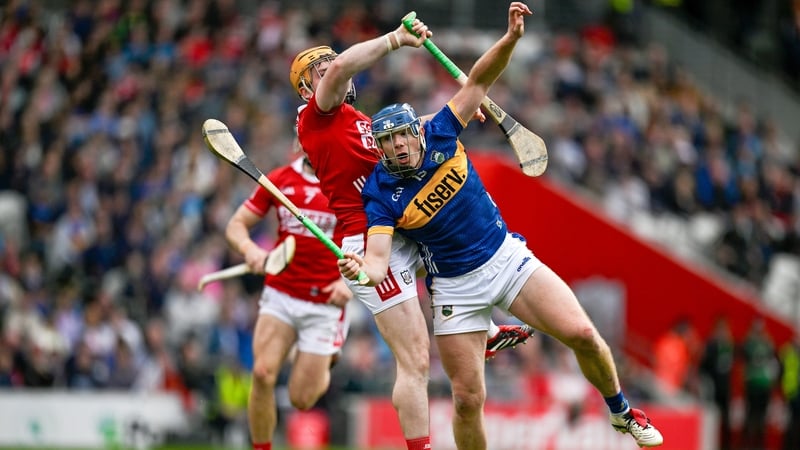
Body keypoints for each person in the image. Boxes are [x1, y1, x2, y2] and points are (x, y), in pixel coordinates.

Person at [337, 2, 664, 448]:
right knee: (469, 399)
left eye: (403, 135)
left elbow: (479, 80)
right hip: (454, 290)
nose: (399, 146)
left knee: (584, 334)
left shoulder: (442, 132)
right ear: (381, 148)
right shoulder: (380, 193)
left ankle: (623, 412)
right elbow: (378, 261)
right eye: (389, 140)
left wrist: (510, 39)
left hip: (507, 258)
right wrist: (359, 269)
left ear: (417, 131)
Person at [291, 12, 532, 450]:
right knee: (416, 359)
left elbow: (397, 134)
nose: (330, 68)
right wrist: (396, 39)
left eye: (330, 63)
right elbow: (345, 65)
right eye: (318, 69)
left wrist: (454, 110)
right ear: (308, 89)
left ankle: (487, 330)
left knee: (457, 251)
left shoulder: (353, 119)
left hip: (399, 229)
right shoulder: (317, 116)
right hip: (370, 242)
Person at [225, 151, 351, 450]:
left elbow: (369, 243)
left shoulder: (347, 183)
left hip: (324, 304)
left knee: (301, 399)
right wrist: (249, 249)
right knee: (262, 373)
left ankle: (326, 359)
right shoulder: (280, 179)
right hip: (280, 294)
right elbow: (236, 225)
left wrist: (346, 283)